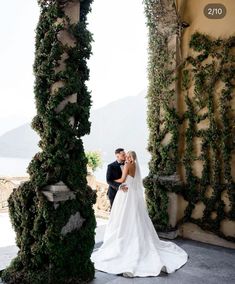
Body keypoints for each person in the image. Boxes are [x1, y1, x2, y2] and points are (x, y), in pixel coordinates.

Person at [91, 151, 188, 277]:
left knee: (122, 218)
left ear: (130, 157)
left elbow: (122, 179)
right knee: (135, 217)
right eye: (124, 155)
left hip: (125, 193)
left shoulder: (127, 165)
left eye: (127, 155)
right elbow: (134, 181)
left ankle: (124, 240)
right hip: (133, 195)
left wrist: (115, 181)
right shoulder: (135, 165)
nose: (125, 156)